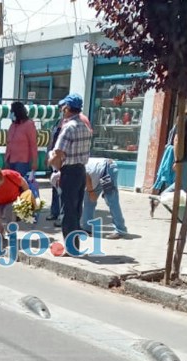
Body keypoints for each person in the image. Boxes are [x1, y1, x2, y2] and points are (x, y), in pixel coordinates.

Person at [49, 93, 92, 256]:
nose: (62, 110)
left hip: (69, 172)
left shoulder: (69, 127)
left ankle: (71, 248)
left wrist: (53, 164)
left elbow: (59, 153)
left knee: (67, 211)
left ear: (67, 108)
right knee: (76, 209)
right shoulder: (85, 126)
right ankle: (75, 245)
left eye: (63, 107)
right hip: (81, 170)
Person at [81, 158, 128, 239]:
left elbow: (86, 175)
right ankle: (87, 228)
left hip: (107, 169)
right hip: (97, 173)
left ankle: (120, 230)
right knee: (88, 201)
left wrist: (91, 191)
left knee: (111, 201)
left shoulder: (72, 168)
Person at [5, 101, 38, 178]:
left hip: (22, 161)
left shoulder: (29, 124)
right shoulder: (12, 125)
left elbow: (33, 144)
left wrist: (34, 161)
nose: (10, 114)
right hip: (10, 160)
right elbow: (9, 143)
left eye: (11, 111)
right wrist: (6, 159)